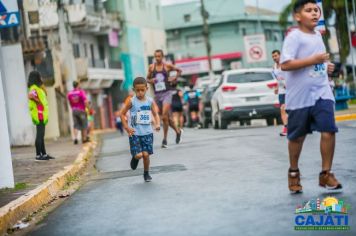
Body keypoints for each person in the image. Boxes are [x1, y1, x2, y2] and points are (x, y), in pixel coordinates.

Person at [280, 0, 342, 194]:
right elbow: (285, 64)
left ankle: (326, 173)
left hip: (321, 91)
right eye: (309, 10)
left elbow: (319, 62)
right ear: (298, 16)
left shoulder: (317, 35)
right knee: (297, 138)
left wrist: (326, 66)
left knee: (329, 130)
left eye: (316, 10)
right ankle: (293, 172)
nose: (315, 13)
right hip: (300, 96)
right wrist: (313, 60)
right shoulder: (294, 37)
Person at [120, 77, 160, 182]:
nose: (140, 92)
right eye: (137, 90)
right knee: (139, 155)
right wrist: (127, 128)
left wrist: (157, 124)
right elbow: (122, 114)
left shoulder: (150, 101)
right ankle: (135, 158)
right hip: (135, 133)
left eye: (142, 90)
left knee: (146, 155)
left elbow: (155, 115)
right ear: (134, 90)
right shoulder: (131, 101)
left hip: (147, 133)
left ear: (146, 89)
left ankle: (146, 173)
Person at [147, 49, 183, 148]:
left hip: (167, 93)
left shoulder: (167, 66)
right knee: (165, 117)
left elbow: (179, 71)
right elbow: (147, 79)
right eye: (156, 56)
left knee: (164, 116)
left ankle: (165, 139)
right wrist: (151, 80)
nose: (157, 58)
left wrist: (173, 79)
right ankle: (178, 131)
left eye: (159, 56)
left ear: (162, 57)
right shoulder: (151, 67)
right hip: (157, 95)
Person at [27, 71, 54, 161]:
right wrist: (38, 101)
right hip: (39, 114)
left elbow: (44, 94)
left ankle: (44, 154)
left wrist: (42, 85)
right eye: (39, 76)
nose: (41, 77)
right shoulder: (33, 88)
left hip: (41, 114)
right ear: (36, 77)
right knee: (40, 135)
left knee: (41, 135)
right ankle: (38, 155)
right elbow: (30, 96)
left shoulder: (38, 87)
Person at [272, 50, 288, 136]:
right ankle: (286, 128)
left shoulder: (285, 64)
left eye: (276, 55)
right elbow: (277, 78)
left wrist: (289, 84)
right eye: (273, 56)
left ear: (280, 55)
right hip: (282, 91)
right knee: (282, 109)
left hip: (291, 89)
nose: (274, 58)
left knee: (291, 109)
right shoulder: (274, 66)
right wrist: (277, 87)